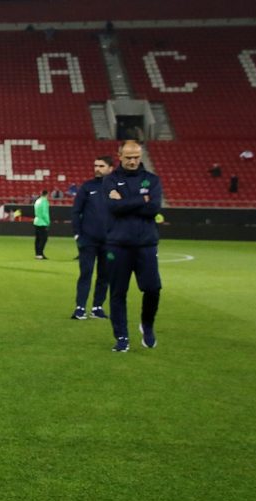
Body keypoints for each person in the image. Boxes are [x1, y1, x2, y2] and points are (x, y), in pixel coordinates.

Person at [104, 140, 163, 352]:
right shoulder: (110, 180)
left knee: (153, 288)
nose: (132, 161)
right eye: (128, 157)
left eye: (136, 157)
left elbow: (153, 208)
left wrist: (125, 201)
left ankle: (147, 325)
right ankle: (122, 337)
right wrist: (141, 199)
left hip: (146, 243)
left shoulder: (152, 180)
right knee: (118, 293)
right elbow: (113, 207)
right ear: (120, 156)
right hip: (118, 244)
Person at [71, 156, 115, 320]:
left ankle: (97, 308)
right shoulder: (87, 187)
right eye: (96, 165)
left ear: (110, 168)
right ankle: (80, 308)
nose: (97, 168)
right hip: (88, 240)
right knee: (86, 273)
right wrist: (77, 234)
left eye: (101, 166)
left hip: (110, 241)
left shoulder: (118, 188)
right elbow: (76, 211)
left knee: (105, 276)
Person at [34, 190, 50, 259]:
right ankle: (40, 254)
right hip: (42, 222)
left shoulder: (37, 201)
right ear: (46, 194)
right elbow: (44, 213)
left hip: (36, 221)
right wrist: (48, 221)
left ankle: (37, 253)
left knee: (38, 239)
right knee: (43, 239)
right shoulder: (44, 201)